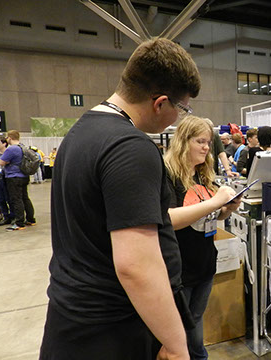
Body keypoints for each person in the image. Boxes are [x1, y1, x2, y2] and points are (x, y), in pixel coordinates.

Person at [39, 38, 202, 360]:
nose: (178, 118)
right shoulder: (131, 147)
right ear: (161, 103)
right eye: (182, 109)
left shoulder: (80, 133)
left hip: (74, 318)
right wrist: (174, 343)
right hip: (113, 328)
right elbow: (135, 266)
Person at [164, 115, 241, 360]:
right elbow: (169, 220)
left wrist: (228, 208)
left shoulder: (202, 173)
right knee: (183, 334)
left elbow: (211, 216)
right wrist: (216, 201)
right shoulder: (168, 175)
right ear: (184, 142)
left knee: (195, 324)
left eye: (209, 142)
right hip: (179, 269)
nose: (207, 147)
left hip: (205, 263)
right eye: (201, 141)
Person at [0, 130, 36, 231]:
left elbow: (1, 162)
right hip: (24, 176)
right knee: (25, 198)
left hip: (13, 177)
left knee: (16, 199)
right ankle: (31, 219)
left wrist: (1, 161)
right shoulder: (22, 147)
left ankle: (19, 222)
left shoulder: (11, 149)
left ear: (9, 138)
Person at [0, 137, 13, 225]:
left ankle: (13, 216)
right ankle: (6, 216)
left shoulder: (8, 153)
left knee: (9, 198)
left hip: (7, 178)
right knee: (0, 199)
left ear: (4, 143)